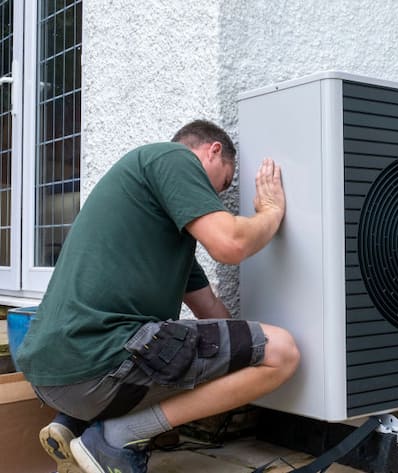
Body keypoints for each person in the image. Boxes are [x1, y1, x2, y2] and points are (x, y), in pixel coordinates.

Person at [15, 120, 300, 473]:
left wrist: (240, 361)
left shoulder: (164, 236)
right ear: (211, 151)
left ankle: (74, 423)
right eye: (224, 183)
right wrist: (271, 213)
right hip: (97, 367)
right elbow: (231, 243)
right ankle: (118, 437)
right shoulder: (172, 157)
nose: (221, 196)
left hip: (54, 374)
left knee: (187, 349)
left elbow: (210, 308)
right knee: (282, 352)